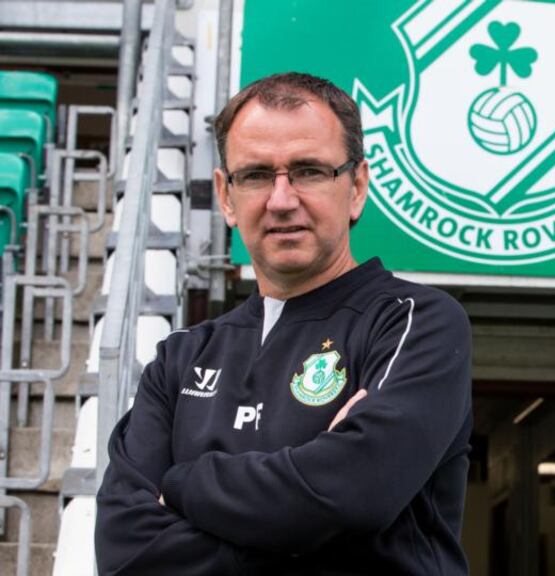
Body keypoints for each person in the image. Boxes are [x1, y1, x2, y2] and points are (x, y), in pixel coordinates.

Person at [95, 72, 473, 575]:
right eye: (255, 176)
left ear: (356, 186)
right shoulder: (181, 357)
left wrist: (185, 483)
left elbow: (355, 493)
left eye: (309, 171)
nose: (281, 199)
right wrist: (307, 521)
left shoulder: (413, 323)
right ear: (226, 196)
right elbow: (124, 551)